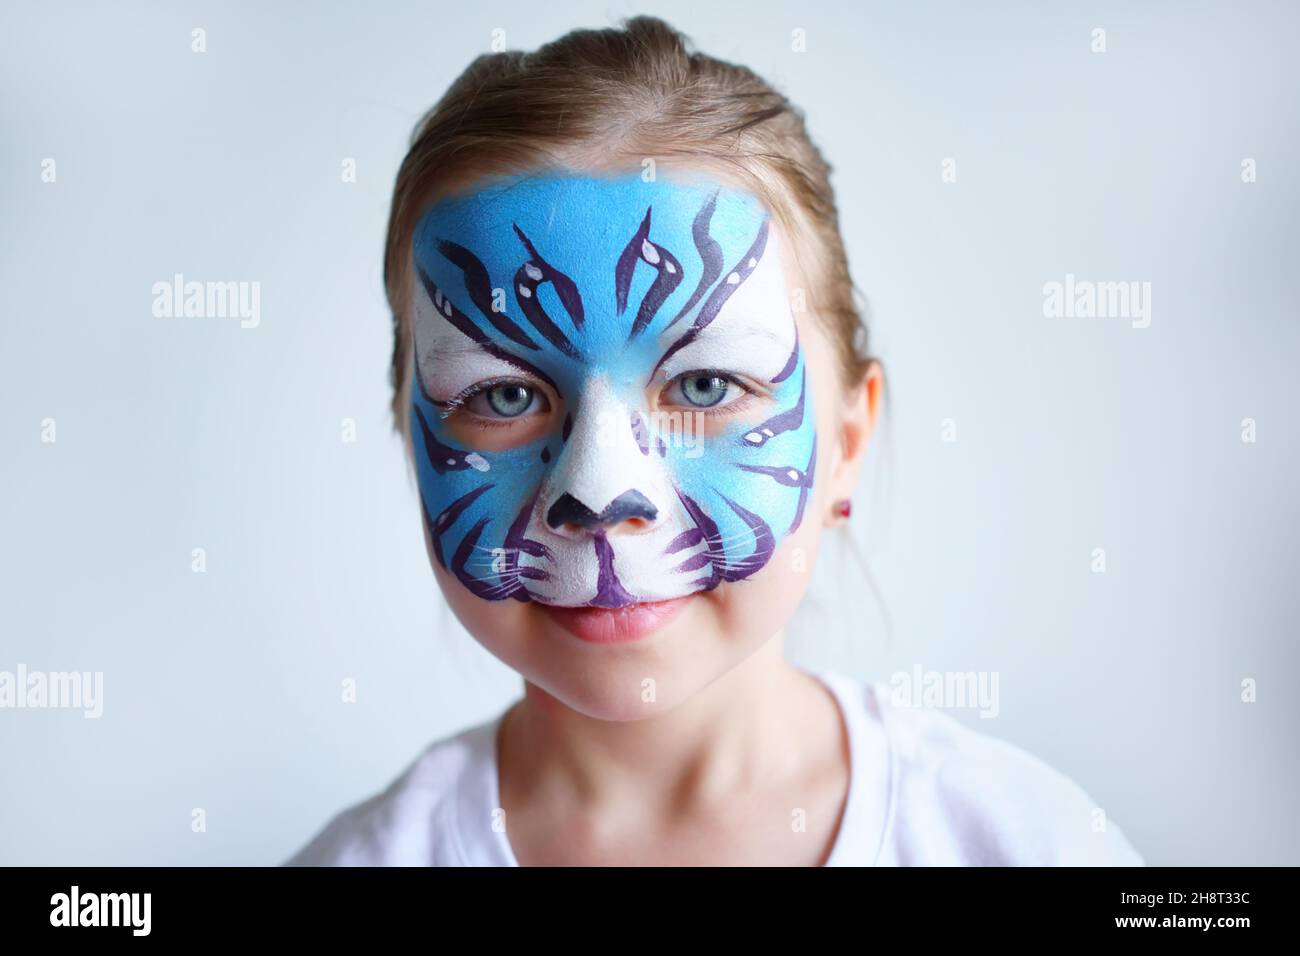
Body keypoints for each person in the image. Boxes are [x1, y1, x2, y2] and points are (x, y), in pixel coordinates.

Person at [287, 16, 1143, 867]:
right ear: (409, 438)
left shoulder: (1030, 844)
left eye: (705, 386)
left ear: (847, 443)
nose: (598, 494)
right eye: (504, 396)